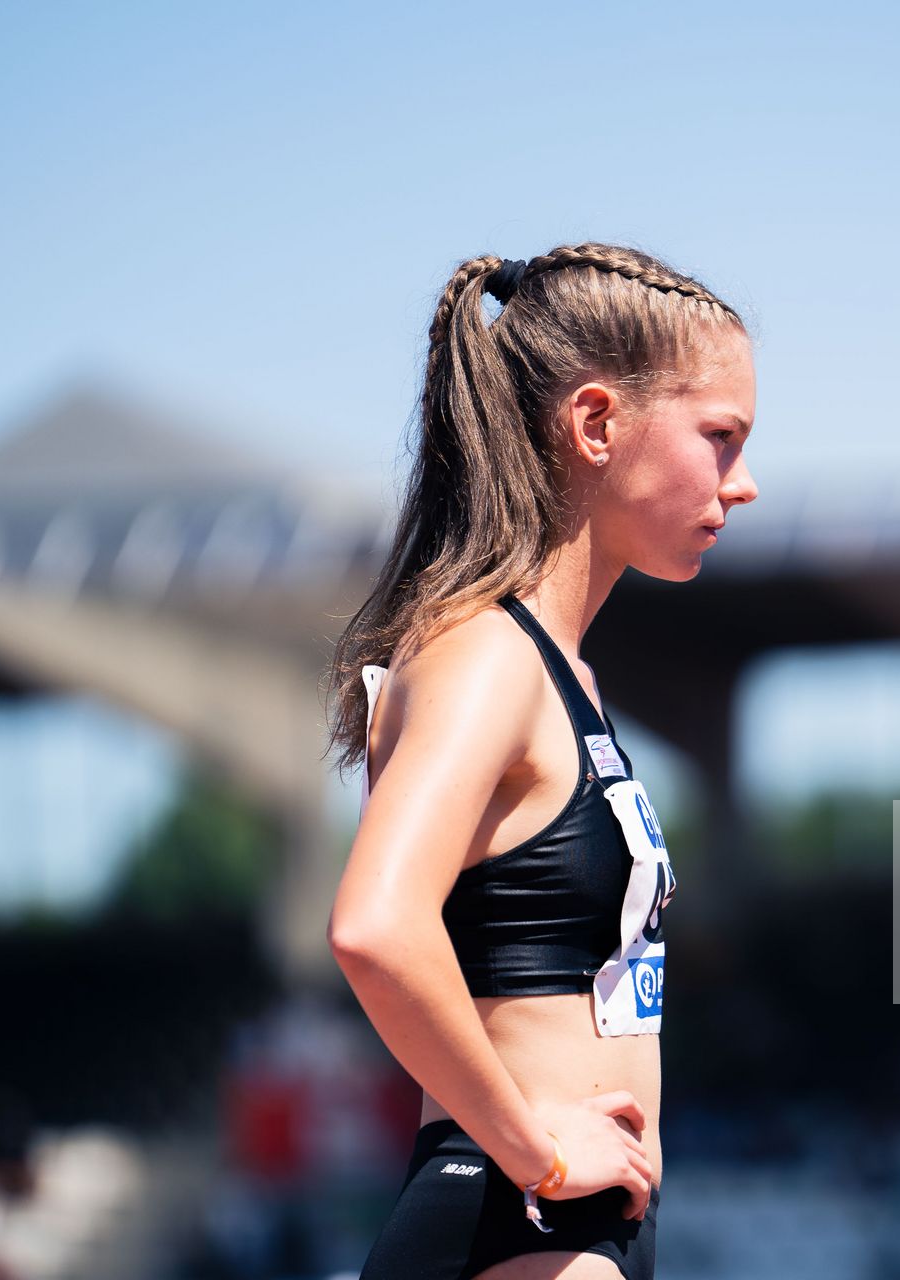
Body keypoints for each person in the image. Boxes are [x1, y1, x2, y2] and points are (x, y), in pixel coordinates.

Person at [323, 243, 758, 1279]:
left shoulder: (563, 674)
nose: (743, 485)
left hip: (563, 1215)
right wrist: (539, 1147)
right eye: (720, 438)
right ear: (597, 423)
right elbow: (375, 925)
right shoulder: (486, 656)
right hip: (523, 1210)